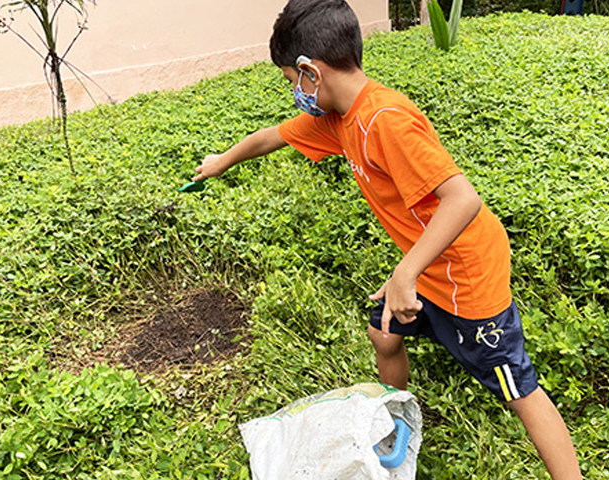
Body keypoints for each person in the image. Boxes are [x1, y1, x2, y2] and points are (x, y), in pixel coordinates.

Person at [191, 0, 582, 478]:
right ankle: (398, 422)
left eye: (291, 82)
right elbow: (273, 135)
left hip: (465, 274)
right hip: (426, 267)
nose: (293, 93)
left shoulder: (386, 120)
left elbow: (463, 200)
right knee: (384, 332)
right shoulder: (340, 118)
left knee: (517, 386)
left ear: (310, 71)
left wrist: (405, 272)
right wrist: (222, 162)